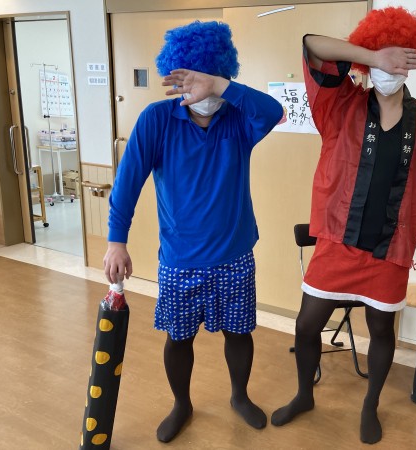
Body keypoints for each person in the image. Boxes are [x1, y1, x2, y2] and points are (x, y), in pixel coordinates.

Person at [271, 7, 416, 445]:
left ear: (412, 62)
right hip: (338, 241)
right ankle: (303, 395)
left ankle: (370, 405)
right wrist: (374, 55)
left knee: (380, 330)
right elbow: (312, 45)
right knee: (306, 325)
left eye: (398, 57)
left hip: (391, 247)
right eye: (380, 56)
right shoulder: (340, 105)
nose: (389, 67)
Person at [103, 21, 283, 443]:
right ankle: (181, 404)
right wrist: (116, 240)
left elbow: (274, 111)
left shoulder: (238, 119)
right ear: (177, 78)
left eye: (210, 78)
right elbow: (128, 182)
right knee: (179, 338)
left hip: (235, 254)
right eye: (192, 79)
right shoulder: (157, 119)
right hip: (180, 259)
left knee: (240, 332)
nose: (201, 90)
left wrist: (219, 86)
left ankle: (239, 396)